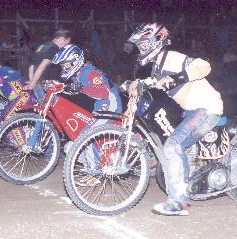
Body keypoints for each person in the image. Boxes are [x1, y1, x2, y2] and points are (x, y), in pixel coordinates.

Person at [127, 22, 223, 216]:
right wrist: (134, 84)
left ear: (156, 42)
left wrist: (177, 78)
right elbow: (154, 82)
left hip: (207, 108)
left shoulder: (171, 58)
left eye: (143, 45)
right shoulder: (157, 67)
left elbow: (203, 66)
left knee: (172, 145)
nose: (141, 49)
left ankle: (178, 202)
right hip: (191, 111)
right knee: (175, 146)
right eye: (139, 46)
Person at [52, 44, 123, 186]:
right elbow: (77, 90)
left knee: (85, 137)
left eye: (66, 65)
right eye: (63, 66)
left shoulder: (90, 72)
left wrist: (81, 88)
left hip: (110, 105)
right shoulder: (80, 73)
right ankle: (95, 167)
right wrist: (59, 86)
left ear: (75, 61)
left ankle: (94, 173)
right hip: (100, 107)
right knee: (75, 142)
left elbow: (102, 92)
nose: (64, 68)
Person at [23, 28, 72, 103]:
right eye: (67, 42)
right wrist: (33, 83)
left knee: (42, 104)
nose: (66, 45)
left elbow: (32, 65)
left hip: (36, 79)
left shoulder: (43, 45)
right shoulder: (53, 48)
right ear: (62, 39)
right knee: (47, 104)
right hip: (41, 80)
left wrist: (32, 81)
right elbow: (41, 67)